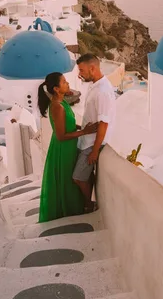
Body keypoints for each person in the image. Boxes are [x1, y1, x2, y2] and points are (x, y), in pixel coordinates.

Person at [37, 72, 97, 223]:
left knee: (69, 180)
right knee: (66, 180)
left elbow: (67, 125)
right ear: (56, 89)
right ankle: (71, 210)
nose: (67, 83)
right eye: (64, 82)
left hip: (69, 148)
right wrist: (84, 132)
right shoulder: (57, 106)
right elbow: (61, 135)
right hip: (62, 149)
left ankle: (76, 208)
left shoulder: (63, 103)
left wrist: (82, 127)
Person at [74, 54, 117, 213]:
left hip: (92, 144)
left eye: (82, 70)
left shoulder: (103, 91)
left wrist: (94, 151)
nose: (80, 74)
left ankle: (89, 205)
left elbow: (104, 124)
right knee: (84, 175)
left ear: (93, 68)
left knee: (78, 177)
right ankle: (89, 201)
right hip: (86, 140)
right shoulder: (95, 85)